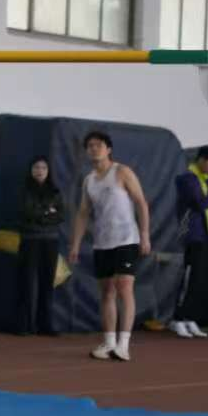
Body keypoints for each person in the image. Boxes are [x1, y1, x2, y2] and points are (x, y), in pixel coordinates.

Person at [65, 130, 151, 361]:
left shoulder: (122, 172)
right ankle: (109, 342)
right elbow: (83, 213)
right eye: (90, 146)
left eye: (99, 145)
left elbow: (141, 202)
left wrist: (144, 235)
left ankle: (124, 344)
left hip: (127, 239)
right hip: (103, 243)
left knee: (124, 287)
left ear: (108, 149)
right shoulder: (89, 180)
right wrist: (75, 245)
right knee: (106, 292)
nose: (94, 149)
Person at [171, 144, 208, 339]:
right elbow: (202, 203)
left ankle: (190, 318)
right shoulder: (186, 179)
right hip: (192, 236)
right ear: (202, 160)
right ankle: (177, 319)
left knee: (200, 280)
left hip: (207, 235)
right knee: (190, 278)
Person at [16, 156, 63, 336]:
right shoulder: (24, 190)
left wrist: (43, 214)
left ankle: (45, 325)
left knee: (47, 283)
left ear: (48, 171)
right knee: (27, 282)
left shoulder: (55, 191)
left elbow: (60, 215)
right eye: (36, 167)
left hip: (51, 241)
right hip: (30, 240)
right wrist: (47, 212)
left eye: (43, 167)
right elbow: (27, 212)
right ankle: (24, 325)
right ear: (31, 170)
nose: (40, 171)